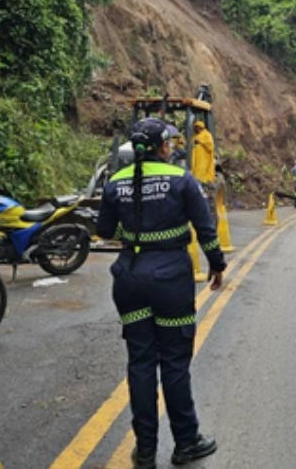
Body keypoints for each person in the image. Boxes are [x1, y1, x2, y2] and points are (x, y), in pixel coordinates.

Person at [97, 117, 225, 468]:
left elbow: (105, 229)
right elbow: (206, 227)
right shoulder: (181, 179)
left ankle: (146, 450)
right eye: (168, 143)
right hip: (171, 281)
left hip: (129, 280)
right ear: (161, 147)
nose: (171, 148)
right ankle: (186, 442)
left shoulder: (115, 182)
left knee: (140, 362)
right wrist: (217, 264)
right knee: (174, 361)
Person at [190, 119, 216, 213]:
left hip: (203, 163)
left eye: (197, 127)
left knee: (199, 181)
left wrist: (200, 141)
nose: (196, 129)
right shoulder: (194, 136)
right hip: (194, 163)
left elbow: (210, 146)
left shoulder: (207, 135)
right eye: (195, 127)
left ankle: (202, 204)